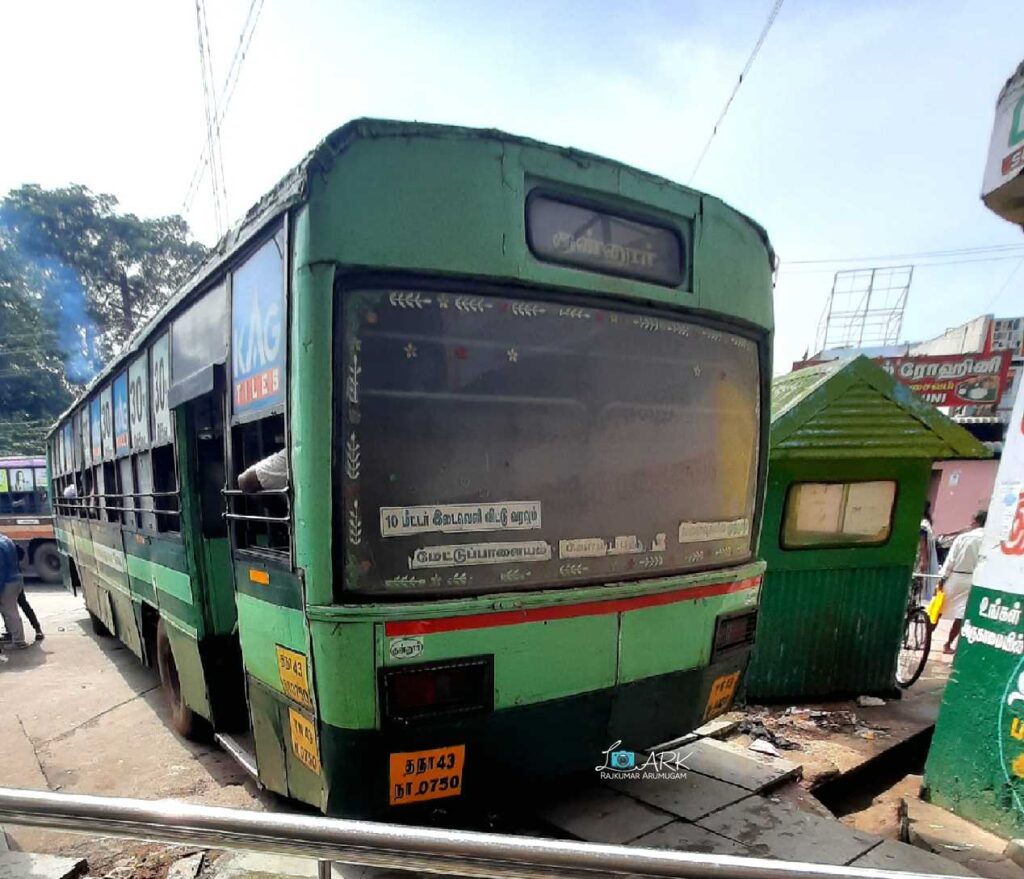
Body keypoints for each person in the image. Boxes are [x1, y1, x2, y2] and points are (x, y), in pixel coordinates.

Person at [937, 509, 987, 654]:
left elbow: (950, 560)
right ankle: (948, 644)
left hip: (955, 576)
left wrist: (942, 578)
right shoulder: (988, 540)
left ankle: (926, 638)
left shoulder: (963, 537)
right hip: (973, 579)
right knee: (961, 615)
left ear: (975, 521)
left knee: (938, 608)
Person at [0, 532, 29, 649]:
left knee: (10, 612)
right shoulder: (6, 540)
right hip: (16, 578)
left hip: (8, 582)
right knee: (8, 610)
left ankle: (19, 641)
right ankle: (11, 635)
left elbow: (1, 570)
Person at [916, 502, 940, 601]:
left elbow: (923, 542)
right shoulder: (926, 522)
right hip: (924, 556)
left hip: (921, 556)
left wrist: (923, 559)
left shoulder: (923, 524)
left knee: (919, 580)